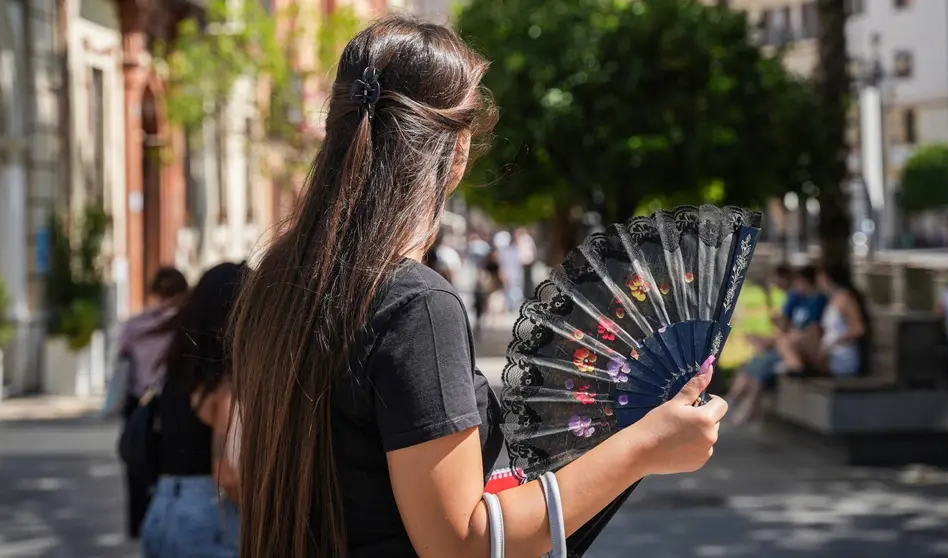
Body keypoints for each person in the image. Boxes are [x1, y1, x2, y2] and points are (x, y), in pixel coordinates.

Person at [230, 16, 726, 558]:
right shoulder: (416, 305)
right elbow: (459, 543)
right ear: (458, 149)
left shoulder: (276, 278)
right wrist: (643, 447)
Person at [140, 262, 246, 558]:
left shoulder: (174, 378)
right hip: (206, 520)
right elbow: (228, 476)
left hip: (160, 511)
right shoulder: (225, 390)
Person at [115, 267, 188, 539]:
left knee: (136, 460)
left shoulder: (135, 325)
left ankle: (138, 524)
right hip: (171, 402)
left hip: (137, 403)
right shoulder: (185, 323)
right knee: (169, 464)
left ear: (154, 291)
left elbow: (122, 356)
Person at [728, 265, 826, 425]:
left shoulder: (815, 301)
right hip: (787, 349)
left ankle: (748, 410)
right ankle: (732, 404)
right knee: (751, 365)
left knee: (760, 366)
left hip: (797, 353)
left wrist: (780, 335)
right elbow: (785, 327)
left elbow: (809, 332)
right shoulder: (799, 299)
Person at [776, 265, 869, 378]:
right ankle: (796, 367)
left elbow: (858, 329)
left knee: (788, 342)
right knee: (786, 340)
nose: (818, 281)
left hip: (840, 354)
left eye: (820, 278)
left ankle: (797, 369)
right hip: (827, 352)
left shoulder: (844, 298)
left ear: (828, 278)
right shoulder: (831, 299)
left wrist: (834, 342)